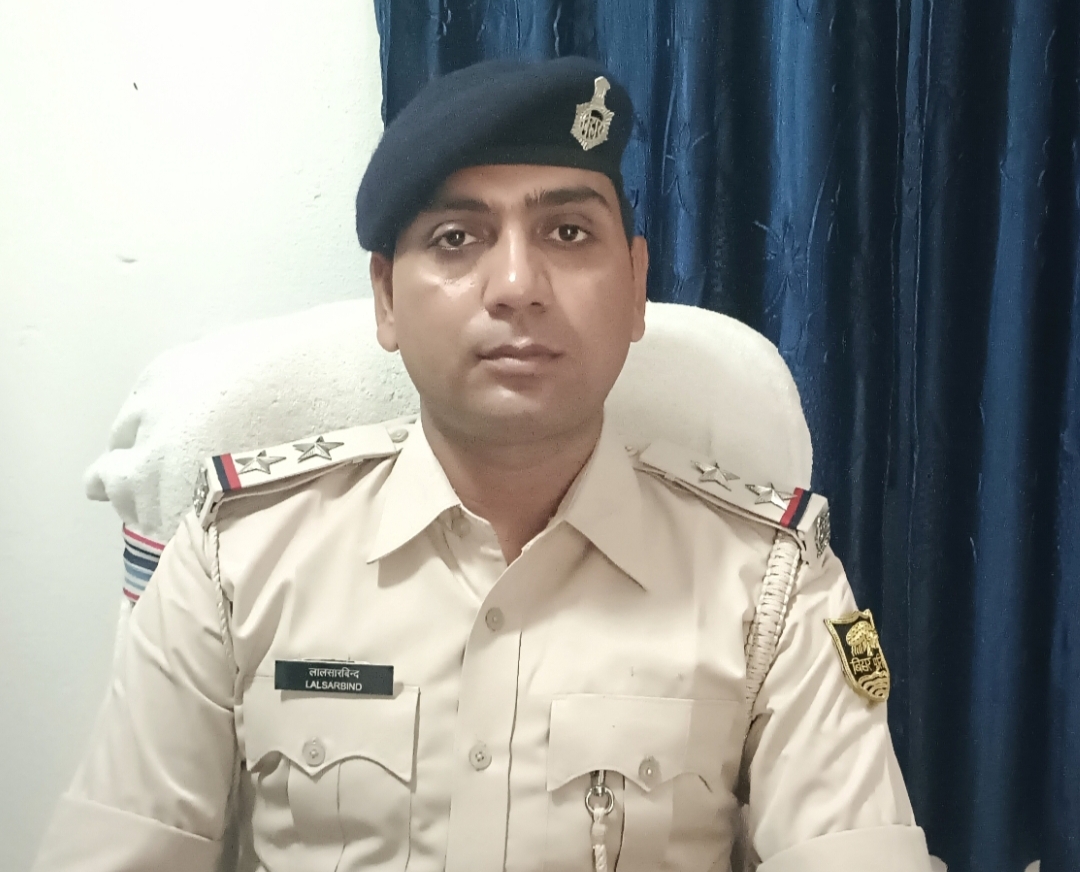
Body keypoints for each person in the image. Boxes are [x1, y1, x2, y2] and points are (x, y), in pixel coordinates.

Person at [33, 56, 933, 871]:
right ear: (386, 298)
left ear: (635, 287)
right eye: (457, 239)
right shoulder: (236, 558)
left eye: (568, 233)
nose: (516, 287)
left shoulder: (776, 585)